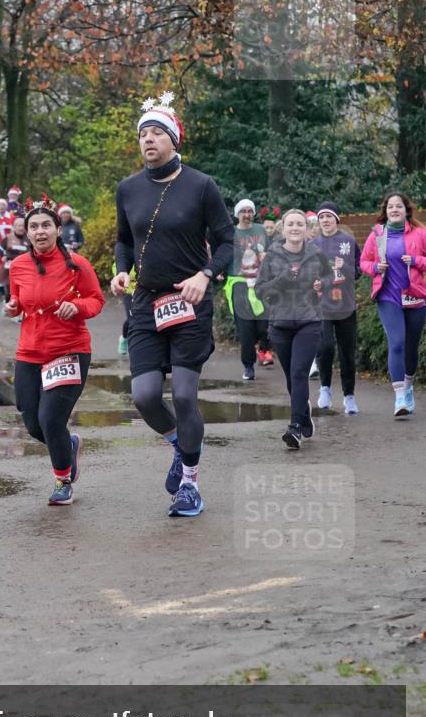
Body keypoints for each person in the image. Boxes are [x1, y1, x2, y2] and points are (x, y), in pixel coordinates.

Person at [111, 92, 234, 517]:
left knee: (183, 395)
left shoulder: (201, 185)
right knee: (145, 396)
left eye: (156, 132)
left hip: (189, 301)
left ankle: (190, 484)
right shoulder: (128, 189)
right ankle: (181, 446)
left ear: (174, 139)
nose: (148, 139)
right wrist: (122, 271)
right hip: (146, 302)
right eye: (143, 133)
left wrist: (206, 275)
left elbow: (227, 241)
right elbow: (124, 240)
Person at [4, 196, 105, 505]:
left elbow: (96, 300)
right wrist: (12, 307)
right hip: (29, 351)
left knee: (50, 419)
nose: (40, 232)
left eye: (46, 225)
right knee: (34, 424)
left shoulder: (77, 264)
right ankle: (69, 445)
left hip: (69, 350)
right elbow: (18, 301)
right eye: (34, 226)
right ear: (27, 232)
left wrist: (77, 307)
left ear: (58, 230)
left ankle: (63, 481)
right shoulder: (18, 266)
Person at [255, 209, 332, 449]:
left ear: (306, 229)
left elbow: (330, 277)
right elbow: (261, 290)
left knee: (299, 373)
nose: (295, 228)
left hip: (309, 321)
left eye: (300, 224)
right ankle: (303, 412)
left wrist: (322, 284)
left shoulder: (316, 254)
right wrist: (284, 278)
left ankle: (295, 427)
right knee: (291, 377)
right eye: (291, 224)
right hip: (280, 324)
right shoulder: (272, 256)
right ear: (283, 228)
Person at [360, 192, 426, 417]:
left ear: (406, 210)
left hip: (415, 295)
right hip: (388, 296)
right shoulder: (378, 234)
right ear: (385, 211)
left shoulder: (420, 233)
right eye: (390, 207)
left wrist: (416, 261)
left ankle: (408, 386)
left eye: (398, 206)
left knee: (411, 347)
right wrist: (375, 268)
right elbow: (364, 262)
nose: (394, 210)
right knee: (397, 343)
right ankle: (399, 397)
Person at [312, 201, 361, 414]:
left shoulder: (348, 242)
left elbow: (359, 270)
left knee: (347, 352)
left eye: (329, 216)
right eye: (322, 217)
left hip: (345, 305)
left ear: (336, 219)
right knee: (325, 348)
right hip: (321, 306)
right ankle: (325, 388)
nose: (325, 220)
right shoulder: (313, 244)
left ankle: (349, 396)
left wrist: (344, 268)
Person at [224, 198, 273, 379]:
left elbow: (269, 252)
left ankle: (263, 348)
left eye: (250, 211)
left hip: (260, 282)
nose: (247, 214)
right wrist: (219, 270)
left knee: (264, 325)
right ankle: (248, 366)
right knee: (245, 328)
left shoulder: (260, 230)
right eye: (243, 211)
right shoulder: (231, 233)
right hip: (239, 283)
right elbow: (223, 253)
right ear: (237, 214)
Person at [0, 215, 30, 306]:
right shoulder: (8, 237)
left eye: (22, 225)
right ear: (14, 227)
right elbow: (0, 248)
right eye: (18, 225)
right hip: (10, 266)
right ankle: (7, 304)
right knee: (10, 289)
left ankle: (21, 308)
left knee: (23, 289)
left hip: (25, 267)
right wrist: (3, 256)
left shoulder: (29, 238)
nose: (20, 228)